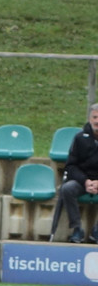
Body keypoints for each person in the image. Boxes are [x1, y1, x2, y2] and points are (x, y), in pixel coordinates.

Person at [58, 103, 98, 243]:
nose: (97, 121)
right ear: (89, 119)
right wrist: (85, 181)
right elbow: (71, 166)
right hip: (82, 181)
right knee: (67, 189)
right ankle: (76, 229)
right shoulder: (79, 138)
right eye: (94, 117)